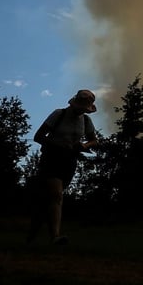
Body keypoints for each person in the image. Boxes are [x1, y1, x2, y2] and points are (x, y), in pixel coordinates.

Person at [27, 89, 100, 246]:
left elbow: (94, 140)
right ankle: (55, 237)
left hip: (70, 160)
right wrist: (59, 144)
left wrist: (84, 145)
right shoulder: (58, 114)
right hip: (51, 158)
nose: (81, 110)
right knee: (56, 195)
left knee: (50, 200)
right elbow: (38, 136)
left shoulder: (86, 121)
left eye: (84, 108)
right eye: (80, 106)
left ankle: (32, 234)